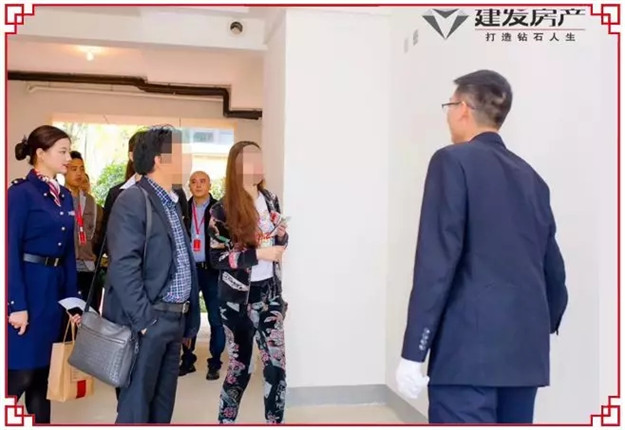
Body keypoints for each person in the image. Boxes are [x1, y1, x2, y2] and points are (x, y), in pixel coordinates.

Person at [395, 70, 569, 424]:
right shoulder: (533, 178)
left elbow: (436, 264)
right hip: (525, 359)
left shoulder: (451, 161)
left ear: (462, 108)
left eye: (449, 106)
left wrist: (414, 352)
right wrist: (541, 324)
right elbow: (553, 269)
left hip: (466, 357)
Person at [103, 126, 200, 424]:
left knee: (161, 407)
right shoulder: (133, 199)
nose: (189, 160)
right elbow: (123, 265)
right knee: (136, 409)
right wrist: (145, 321)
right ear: (159, 159)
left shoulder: (173, 199)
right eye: (182, 154)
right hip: (149, 319)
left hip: (174, 319)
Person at [208, 141, 289, 424]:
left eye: (259, 157)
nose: (258, 164)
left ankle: (275, 422)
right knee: (240, 367)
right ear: (237, 167)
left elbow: (279, 241)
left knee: (276, 367)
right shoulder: (221, 210)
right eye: (250, 159)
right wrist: (259, 254)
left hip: (270, 294)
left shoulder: (271, 199)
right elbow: (217, 258)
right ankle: (226, 421)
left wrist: (281, 236)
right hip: (237, 300)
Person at [8, 125, 81, 423]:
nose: (68, 158)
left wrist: (72, 302)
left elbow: (68, 253)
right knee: (21, 375)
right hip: (27, 291)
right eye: (62, 151)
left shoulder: (64, 195)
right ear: (40, 153)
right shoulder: (20, 193)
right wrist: (16, 305)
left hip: (52, 295)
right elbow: (8, 250)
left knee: (42, 379)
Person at [102, 129, 188, 244]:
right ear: (131, 156)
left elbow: (184, 231)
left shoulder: (175, 193)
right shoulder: (116, 194)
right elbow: (107, 235)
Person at [179, 170, 225, 380]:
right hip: (189, 270)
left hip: (212, 270)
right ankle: (187, 358)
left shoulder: (219, 209)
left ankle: (215, 361)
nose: (198, 185)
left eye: (202, 181)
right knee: (188, 316)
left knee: (216, 317)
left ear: (210, 185)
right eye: (194, 182)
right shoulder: (182, 209)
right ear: (189, 186)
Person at [64, 151, 103, 310]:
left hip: (87, 267)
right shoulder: (59, 198)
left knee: (88, 315)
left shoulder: (90, 201)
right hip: (65, 267)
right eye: (74, 169)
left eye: (82, 169)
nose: (79, 173)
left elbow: (96, 234)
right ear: (64, 170)